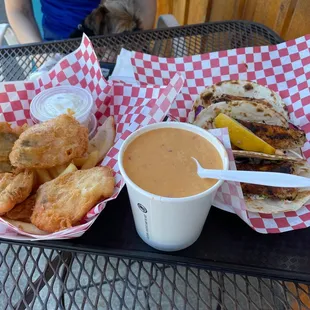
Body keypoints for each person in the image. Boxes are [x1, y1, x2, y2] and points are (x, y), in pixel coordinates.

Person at [4, 0, 157, 44]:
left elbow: (145, 7)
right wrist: (40, 53)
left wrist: (128, 45)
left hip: (119, 39)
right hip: (57, 47)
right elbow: (18, 10)